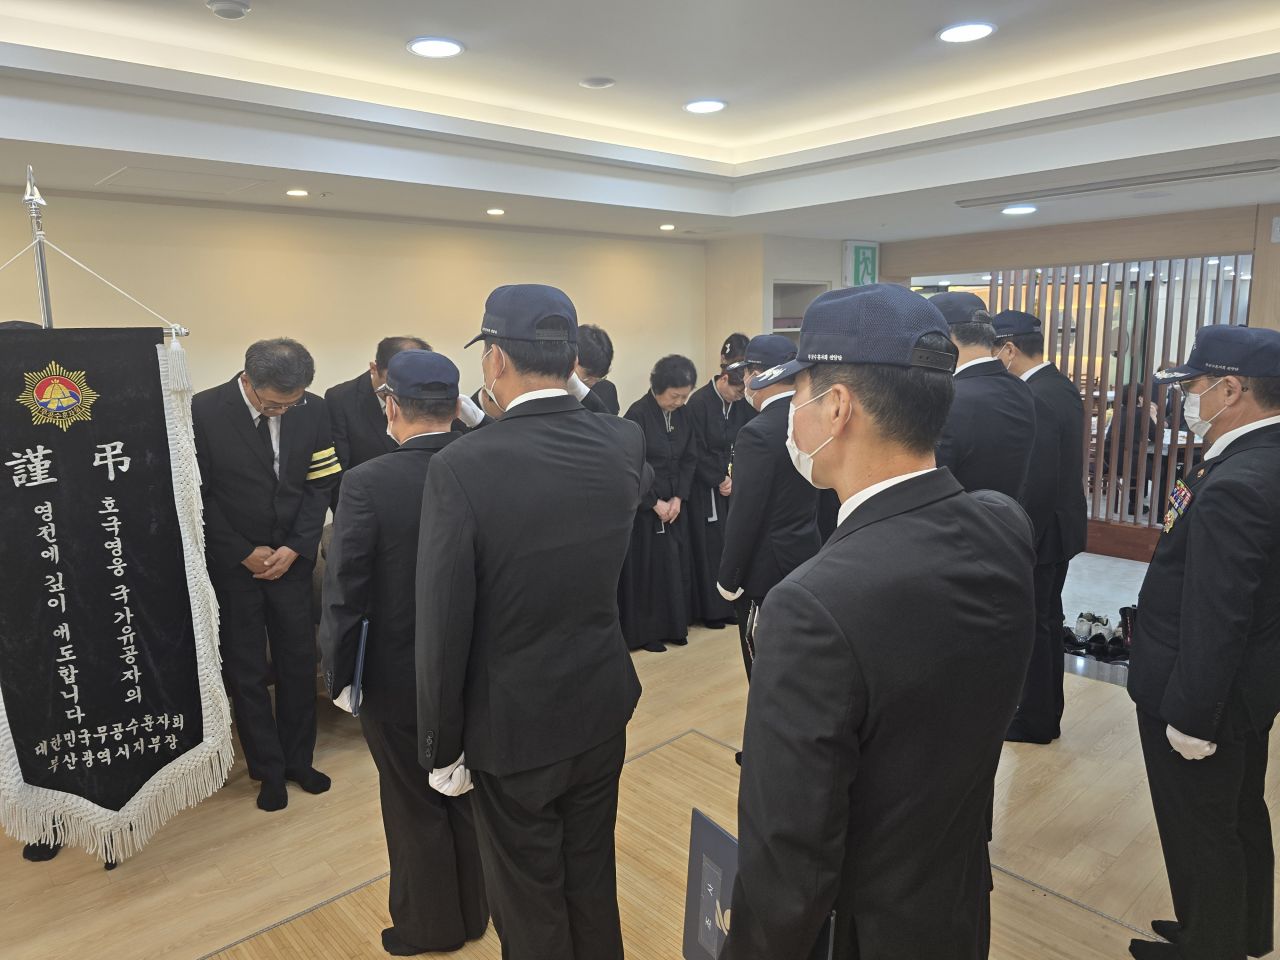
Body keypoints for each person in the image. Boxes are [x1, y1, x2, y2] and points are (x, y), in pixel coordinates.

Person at [721, 285, 1035, 960]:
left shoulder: (812, 604)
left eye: (799, 392)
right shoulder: (1003, 526)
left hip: (862, 932)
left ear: (836, 407)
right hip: (954, 907)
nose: (791, 415)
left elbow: (788, 857)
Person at [415, 284, 648, 960]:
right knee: (590, 874)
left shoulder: (461, 465)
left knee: (527, 897)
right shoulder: (624, 440)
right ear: (574, 359)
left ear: (494, 360)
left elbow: (443, 621)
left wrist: (440, 746)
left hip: (512, 723)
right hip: (600, 701)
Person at [319, 350, 488, 957]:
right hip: (478, 667)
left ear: (391, 407)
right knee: (468, 792)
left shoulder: (367, 481)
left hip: (397, 674)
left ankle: (429, 927)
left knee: (412, 801)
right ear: (455, 406)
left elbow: (345, 589)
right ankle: (475, 912)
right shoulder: (487, 464)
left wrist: (340, 675)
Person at [1125, 325, 1280, 960]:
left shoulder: (1239, 481)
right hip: (1247, 686)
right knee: (1239, 813)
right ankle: (1237, 933)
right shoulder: (1257, 458)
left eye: (1194, 386)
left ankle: (1209, 947)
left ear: (1232, 389)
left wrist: (1192, 716)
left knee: (1202, 825)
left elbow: (1218, 613)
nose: (1188, 399)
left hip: (1202, 693)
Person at [192, 338, 338, 811]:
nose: (282, 412)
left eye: (291, 404)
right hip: (236, 565)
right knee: (247, 668)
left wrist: (297, 546)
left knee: (299, 661)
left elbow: (321, 482)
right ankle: (267, 769)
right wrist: (242, 552)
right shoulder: (203, 411)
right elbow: (198, 494)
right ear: (248, 381)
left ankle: (299, 760)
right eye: (274, 404)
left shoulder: (313, 409)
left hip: (291, 560)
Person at [994, 310, 1089, 744]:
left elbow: (1038, 478)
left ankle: (1035, 719)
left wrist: (1017, 536)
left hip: (1041, 530)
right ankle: (1045, 713)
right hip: (1058, 526)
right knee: (1047, 622)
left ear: (1009, 349)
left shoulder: (1036, 396)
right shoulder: (1058, 385)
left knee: (1034, 625)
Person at [716, 334, 820, 681]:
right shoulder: (815, 419)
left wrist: (729, 578)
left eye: (747, 372)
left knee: (764, 669)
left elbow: (745, 514)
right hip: (806, 556)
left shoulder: (757, 433)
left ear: (758, 375)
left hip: (765, 571)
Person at [618, 355, 699, 652]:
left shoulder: (684, 415)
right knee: (649, 570)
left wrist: (679, 497)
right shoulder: (637, 415)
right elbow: (631, 465)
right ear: (658, 388)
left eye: (684, 396)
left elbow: (690, 457)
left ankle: (676, 625)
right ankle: (647, 632)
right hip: (647, 508)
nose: (679, 402)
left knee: (676, 566)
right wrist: (653, 502)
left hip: (675, 506)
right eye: (675, 396)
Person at [931, 292, 1036, 502]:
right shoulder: (1020, 388)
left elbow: (933, 484)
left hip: (955, 518)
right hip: (1005, 516)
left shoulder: (949, 398)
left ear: (944, 338)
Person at [686, 334, 756, 630]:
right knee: (712, 547)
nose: (740, 397)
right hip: (707, 489)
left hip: (733, 485)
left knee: (734, 542)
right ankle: (712, 610)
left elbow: (746, 440)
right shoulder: (699, 403)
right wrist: (718, 479)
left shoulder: (742, 406)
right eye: (737, 391)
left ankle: (731, 604)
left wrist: (735, 476)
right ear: (724, 379)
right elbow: (695, 448)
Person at [324, 336, 430, 509]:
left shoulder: (430, 394)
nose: (405, 388)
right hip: (364, 505)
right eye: (396, 379)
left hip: (420, 504)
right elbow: (338, 472)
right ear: (374, 368)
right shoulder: (341, 399)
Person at [576, 323, 620, 415]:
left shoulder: (607, 390)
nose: (592, 383)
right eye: (587, 376)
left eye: (599, 378)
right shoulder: (556, 389)